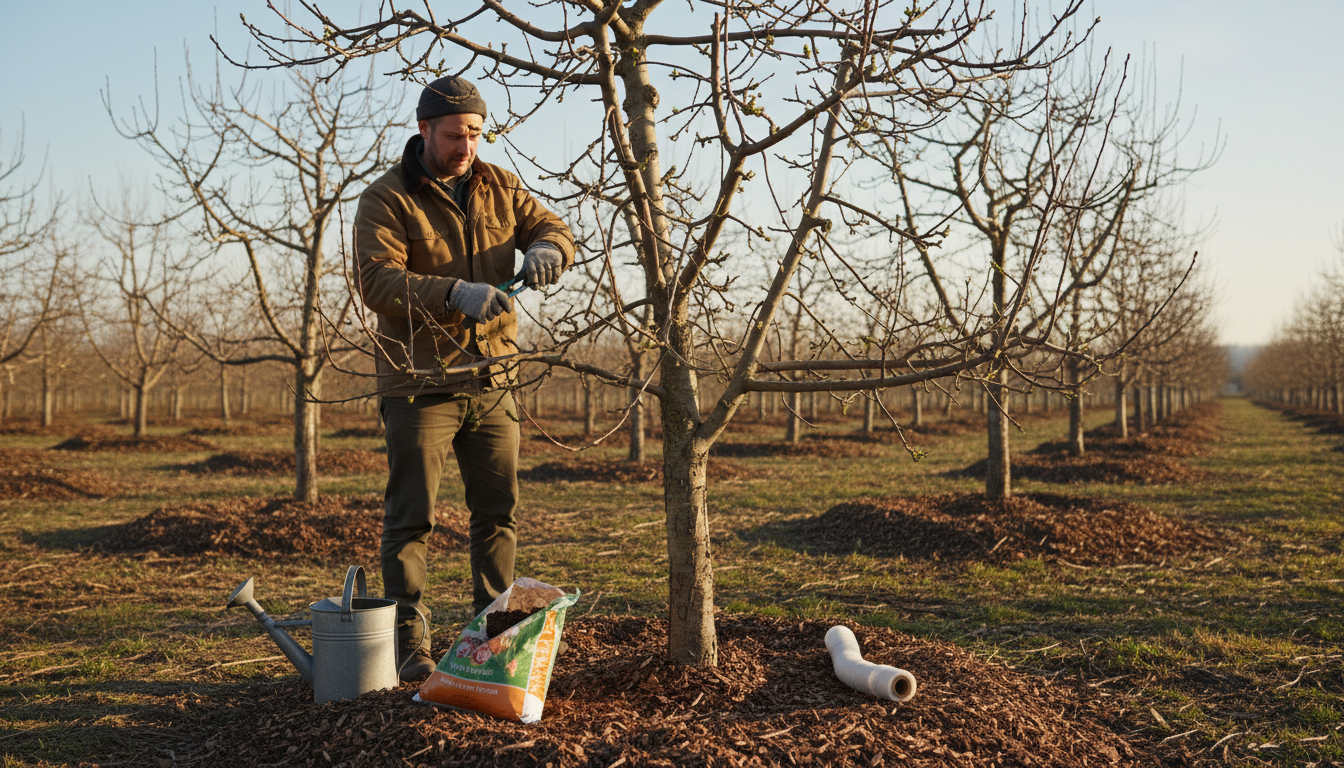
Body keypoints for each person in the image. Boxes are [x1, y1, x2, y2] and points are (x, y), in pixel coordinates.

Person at [354, 76, 575, 681]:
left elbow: (551, 227)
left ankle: (493, 636)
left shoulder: (500, 185)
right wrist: (455, 292)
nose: (466, 146)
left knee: (497, 511)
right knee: (412, 518)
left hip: (493, 377)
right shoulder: (386, 199)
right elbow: (377, 282)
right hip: (420, 382)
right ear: (424, 130)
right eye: (454, 135)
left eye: (476, 134)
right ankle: (409, 645)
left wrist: (550, 250)